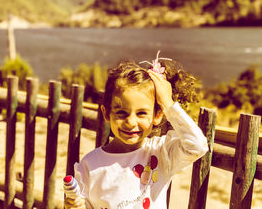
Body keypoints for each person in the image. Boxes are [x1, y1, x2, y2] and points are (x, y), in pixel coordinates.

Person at [64, 51, 208, 209]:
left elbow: (197, 146)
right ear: (106, 113)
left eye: (141, 113)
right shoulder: (90, 165)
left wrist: (168, 102)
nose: (131, 122)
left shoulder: (161, 153)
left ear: (158, 115)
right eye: (121, 113)